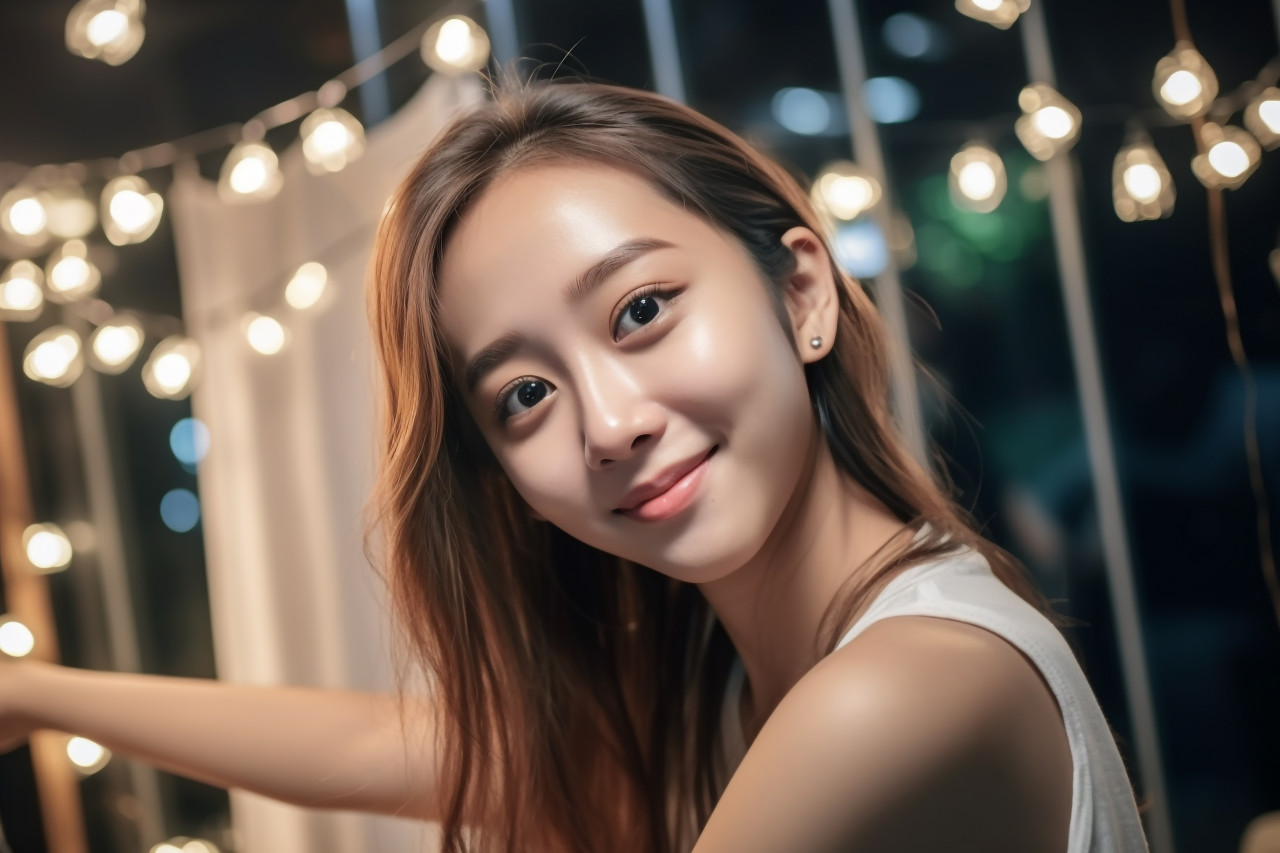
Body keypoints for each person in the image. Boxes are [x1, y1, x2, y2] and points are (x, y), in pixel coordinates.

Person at [0, 80, 1149, 853]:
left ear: (800, 292)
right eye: (523, 395)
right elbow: (385, 746)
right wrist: (33, 694)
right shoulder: (740, 684)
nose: (606, 423)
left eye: (641, 308)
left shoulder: (900, 686)